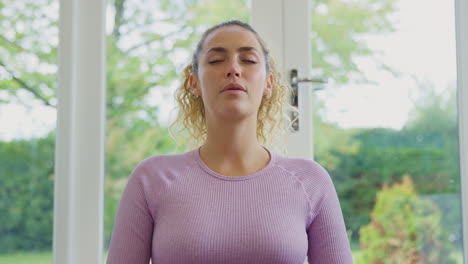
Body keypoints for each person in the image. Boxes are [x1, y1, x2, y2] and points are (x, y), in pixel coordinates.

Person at [106, 20, 353, 264]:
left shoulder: (311, 181)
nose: (233, 69)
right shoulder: (151, 179)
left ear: (268, 83)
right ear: (194, 83)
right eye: (216, 60)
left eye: (248, 60)